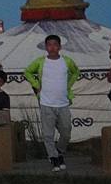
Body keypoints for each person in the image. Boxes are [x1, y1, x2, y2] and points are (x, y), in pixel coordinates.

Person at [24, 35, 79, 172]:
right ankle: (54, 158)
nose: (52, 47)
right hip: (46, 102)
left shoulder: (67, 61)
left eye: (55, 44)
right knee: (48, 134)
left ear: (60, 46)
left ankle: (59, 151)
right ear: (46, 47)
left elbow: (76, 72)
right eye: (49, 44)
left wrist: (68, 86)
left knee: (66, 131)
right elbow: (27, 72)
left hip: (63, 102)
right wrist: (36, 85)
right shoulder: (40, 62)